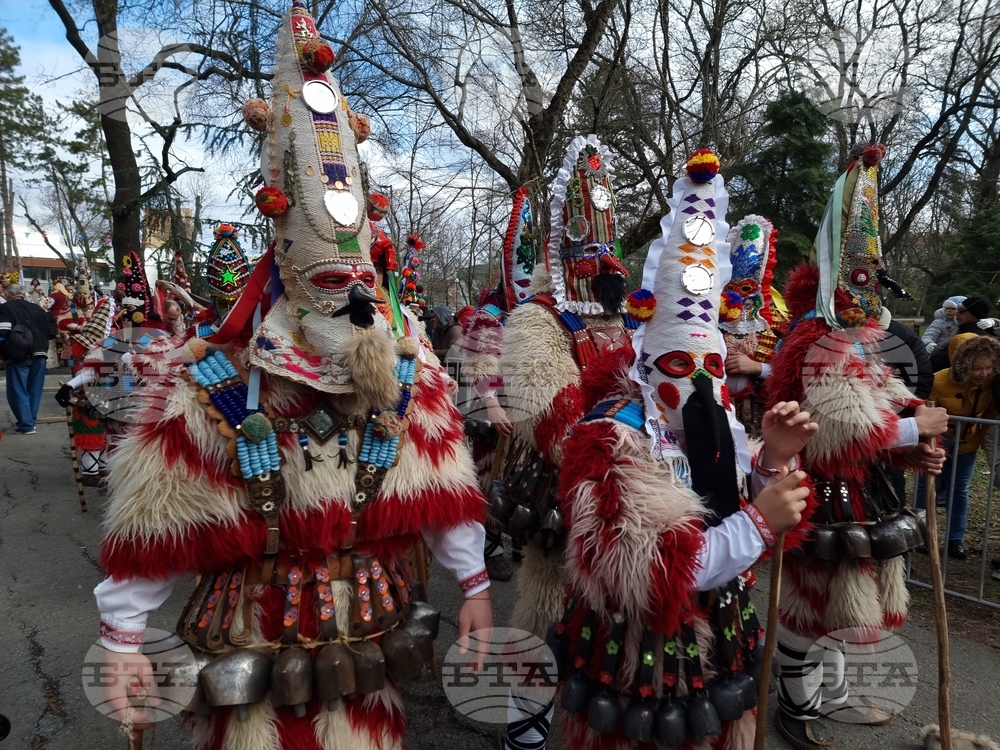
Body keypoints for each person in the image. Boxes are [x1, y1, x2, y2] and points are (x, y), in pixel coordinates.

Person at [94, 4, 492, 748]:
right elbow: (155, 526)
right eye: (324, 282)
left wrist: (474, 586)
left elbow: (444, 494)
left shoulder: (409, 375)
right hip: (249, 632)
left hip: (365, 633)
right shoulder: (215, 378)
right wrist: (121, 637)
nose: (344, 300)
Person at [552, 151, 817, 750]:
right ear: (647, 368)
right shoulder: (607, 438)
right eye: (678, 365)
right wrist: (756, 523)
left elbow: (756, 506)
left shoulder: (718, 420)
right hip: (635, 652)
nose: (698, 382)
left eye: (712, 367)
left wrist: (772, 461)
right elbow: (644, 571)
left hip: (721, 634)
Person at [764, 143, 948, 749]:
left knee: (851, 601)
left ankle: (832, 695)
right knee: (809, 607)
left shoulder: (858, 338)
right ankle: (796, 704)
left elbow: (888, 395)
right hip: (814, 491)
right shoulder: (813, 338)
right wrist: (907, 430)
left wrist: (916, 436)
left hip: (861, 492)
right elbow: (837, 423)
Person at [496, 134, 638, 750]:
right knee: (547, 604)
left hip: (633, 486)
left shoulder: (633, 318)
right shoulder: (538, 318)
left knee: (617, 614)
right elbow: (547, 415)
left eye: (609, 252)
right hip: (562, 488)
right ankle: (525, 724)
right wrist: (622, 436)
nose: (605, 265)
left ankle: (595, 722)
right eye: (591, 251)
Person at [461, 186, 537, 580]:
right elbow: (481, 362)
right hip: (493, 410)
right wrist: (491, 404)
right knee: (489, 476)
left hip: (529, 407)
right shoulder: (490, 314)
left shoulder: (537, 312)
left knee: (524, 477)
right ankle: (486, 547)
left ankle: (520, 536)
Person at [915, 333, 1000, 560]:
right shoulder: (939, 381)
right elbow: (925, 412)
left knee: (959, 489)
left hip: (967, 442)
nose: (983, 374)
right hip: (937, 440)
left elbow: (990, 410)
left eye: (989, 367)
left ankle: (955, 539)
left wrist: (980, 436)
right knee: (926, 486)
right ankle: (921, 534)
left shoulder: (992, 384)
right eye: (977, 368)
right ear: (964, 365)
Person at [721, 214, 781, 438]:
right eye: (731, 289)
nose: (738, 297)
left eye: (746, 289)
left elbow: (793, 373)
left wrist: (758, 368)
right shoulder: (710, 321)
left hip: (762, 422)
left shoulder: (776, 324)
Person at [0, 283, 56, 434]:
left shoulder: (6, 308)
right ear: (23, 295)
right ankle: (30, 421)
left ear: (8, 296)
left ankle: (26, 425)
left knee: (17, 390)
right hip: (40, 353)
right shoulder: (38, 309)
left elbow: (2, 333)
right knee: (34, 390)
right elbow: (51, 333)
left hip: (18, 354)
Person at [930, 296, 1000, 370]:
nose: (956, 313)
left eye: (961, 310)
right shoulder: (965, 328)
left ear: (975, 315)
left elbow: (942, 361)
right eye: (957, 309)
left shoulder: (972, 337)